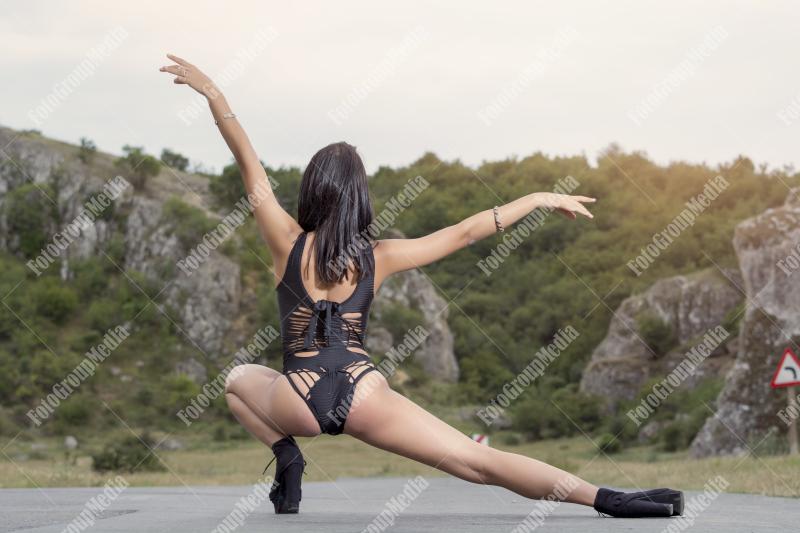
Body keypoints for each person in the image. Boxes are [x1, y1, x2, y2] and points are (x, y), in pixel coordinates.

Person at [159, 54, 683, 518]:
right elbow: (466, 232)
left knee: (237, 380)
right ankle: (610, 499)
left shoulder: (285, 240)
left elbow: (248, 161)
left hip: (297, 394)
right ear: (359, 196)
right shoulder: (380, 256)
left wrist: (214, 93)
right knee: (477, 462)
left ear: (312, 189)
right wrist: (538, 198)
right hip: (363, 389)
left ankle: (287, 456)